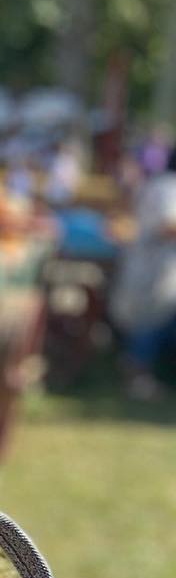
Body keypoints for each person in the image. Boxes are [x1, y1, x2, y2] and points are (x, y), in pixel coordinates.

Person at [111, 142, 176, 398]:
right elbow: (167, 226)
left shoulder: (161, 184)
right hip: (153, 267)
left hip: (155, 266)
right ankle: (137, 380)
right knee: (146, 323)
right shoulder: (168, 187)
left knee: (152, 321)